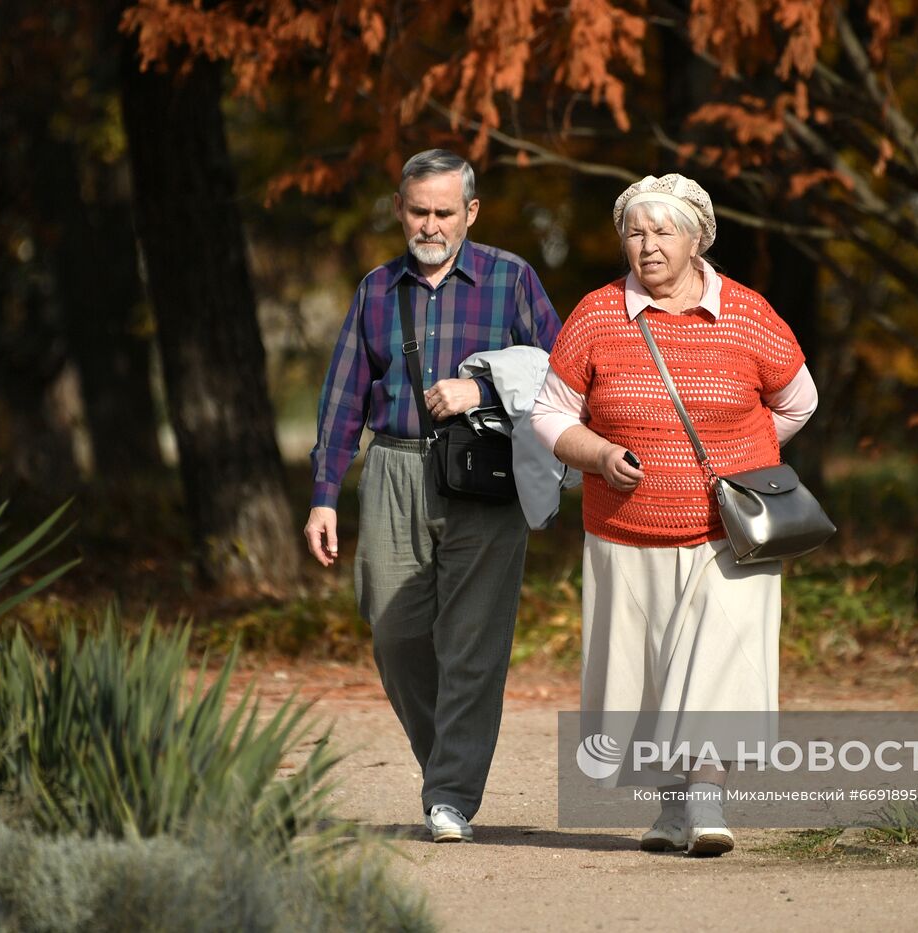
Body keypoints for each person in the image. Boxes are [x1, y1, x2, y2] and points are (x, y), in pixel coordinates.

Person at [529, 173, 818, 856]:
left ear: (697, 238)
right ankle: (670, 808)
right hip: (626, 531)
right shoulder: (598, 315)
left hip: (729, 533)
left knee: (715, 662)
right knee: (650, 676)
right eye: (635, 231)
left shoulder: (748, 313)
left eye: (662, 231)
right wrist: (598, 453)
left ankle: (708, 800)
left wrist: (743, 461)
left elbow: (799, 400)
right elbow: (549, 412)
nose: (647, 244)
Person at [304, 149, 561, 843]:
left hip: (486, 473)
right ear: (399, 208)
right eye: (419, 210)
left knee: (474, 642)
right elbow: (342, 398)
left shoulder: (512, 279)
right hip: (393, 468)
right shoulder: (375, 289)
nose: (431, 224)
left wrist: (482, 389)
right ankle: (447, 758)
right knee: (394, 630)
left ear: (470, 212)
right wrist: (324, 494)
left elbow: (564, 377)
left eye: (445, 211)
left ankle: (449, 792)